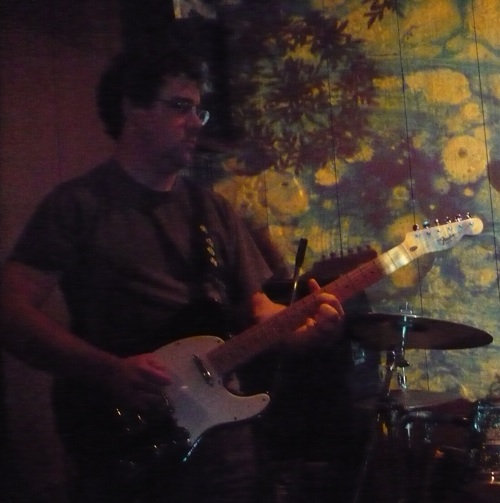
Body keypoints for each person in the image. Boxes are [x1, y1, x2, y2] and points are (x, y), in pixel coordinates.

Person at [0, 49, 346, 503]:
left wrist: (303, 331)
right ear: (133, 109)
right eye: (181, 106)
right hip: (123, 436)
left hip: (222, 440)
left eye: (200, 110)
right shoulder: (78, 205)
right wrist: (107, 370)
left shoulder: (212, 210)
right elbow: (11, 310)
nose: (197, 123)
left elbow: (259, 311)